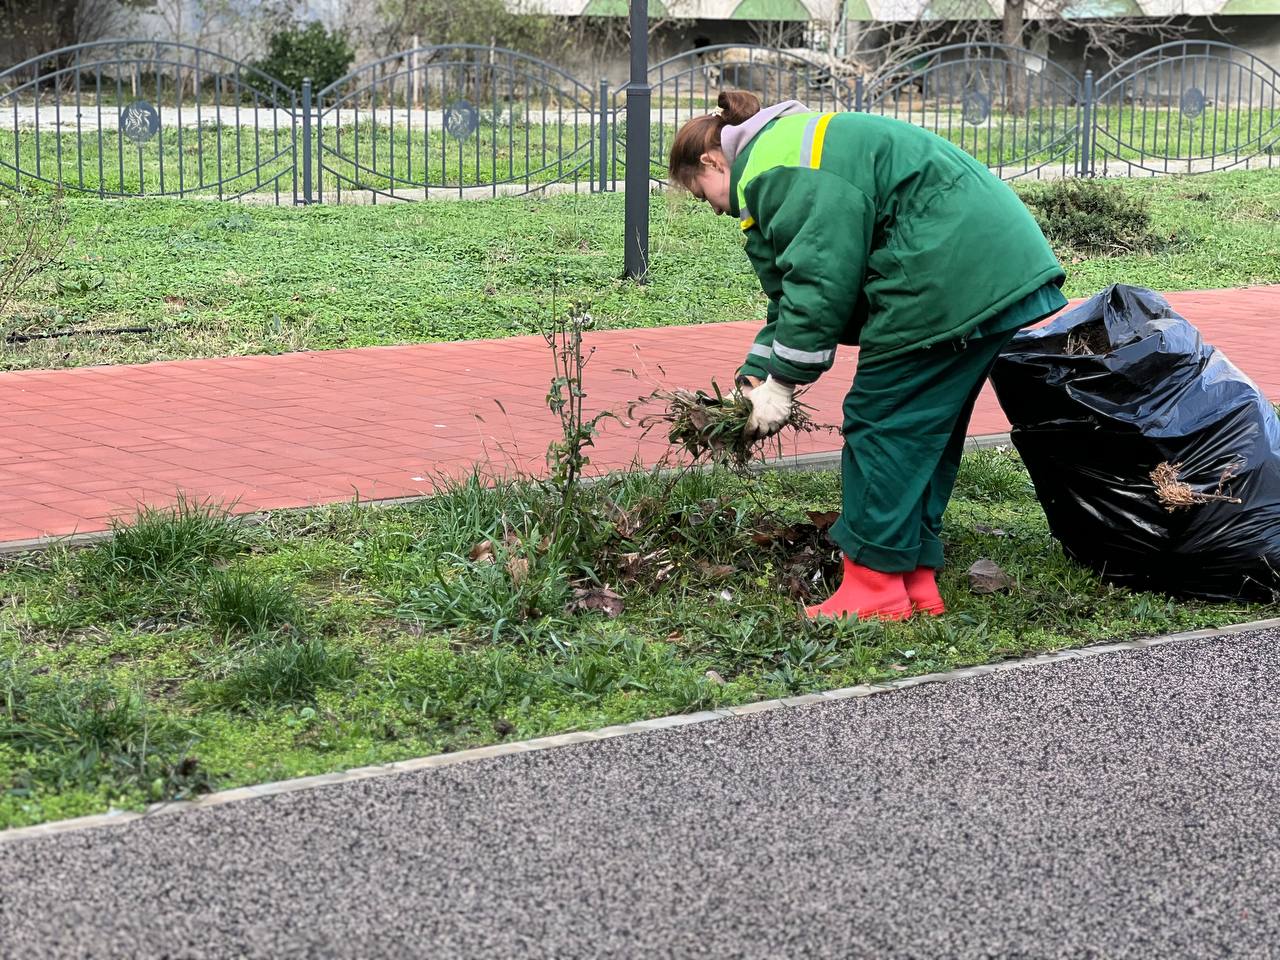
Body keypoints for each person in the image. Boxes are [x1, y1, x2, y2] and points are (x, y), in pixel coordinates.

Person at [668, 91, 1067, 622]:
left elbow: (819, 283)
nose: (716, 208)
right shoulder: (789, 146)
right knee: (921, 430)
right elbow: (792, 292)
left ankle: (874, 587)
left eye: (703, 195)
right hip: (988, 268)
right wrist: (756, 373)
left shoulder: (776, 168)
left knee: (881, 421)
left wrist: (783, 384)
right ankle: (912, 575)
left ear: (713, 161)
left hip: (941, 274)